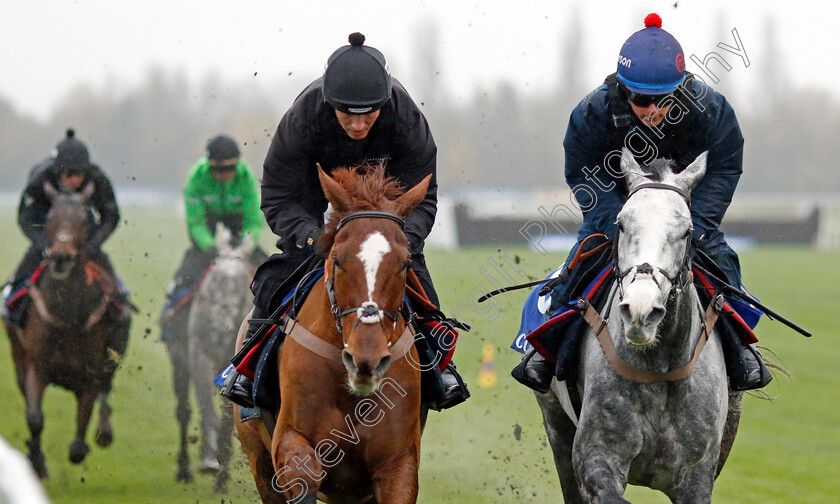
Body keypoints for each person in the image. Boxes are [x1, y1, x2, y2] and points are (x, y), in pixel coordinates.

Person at [513, 13, 772, 393]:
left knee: (721, 261)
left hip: (683, 211)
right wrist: (613, 220)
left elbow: (725, 166)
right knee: (581, 263)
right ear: (623, 89)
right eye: (641, 100)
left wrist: (690, 220)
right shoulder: (593, 112)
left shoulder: (710, 110)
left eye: (663, 100)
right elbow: (582, 171)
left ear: (680, 89)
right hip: (620, 208)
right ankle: (547, 351)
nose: (652, 110)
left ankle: (741, 349)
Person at [222, 32, 470, 410]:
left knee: (424, 293)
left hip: (387, 218)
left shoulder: (406, 120)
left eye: (368, 114)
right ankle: (248, 367)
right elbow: (277, 196)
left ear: (384, 104)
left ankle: (441, 369)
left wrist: (397, 240)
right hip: (312, 208)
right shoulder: (303, 118)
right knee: (273, 283)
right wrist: (313, 238)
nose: (357, 125)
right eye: (347, 115)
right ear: (329, 104)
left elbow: (425, 198)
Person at [2, 129, 121, 327]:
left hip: (83, 234)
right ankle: (13, 305)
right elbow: (25, 216)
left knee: (109, 276)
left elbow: (111, 216)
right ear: (58, 172)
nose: (76, 179)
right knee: (25, 269)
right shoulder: (40, 179)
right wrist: (42, 243)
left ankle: (119, 306)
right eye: (69, 174)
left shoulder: (98, 179)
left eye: (80, 174)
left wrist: (92, 244)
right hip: (47, 230)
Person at [159, 135, 267, 340]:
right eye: (216, 170)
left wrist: (245, 247)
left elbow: (253, 221)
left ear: (237, 166)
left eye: (228, 170)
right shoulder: (196, 177)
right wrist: (210, 247)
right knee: (187, 269)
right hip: (207, 224)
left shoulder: (247, 178)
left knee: (267, 269)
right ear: (209, 167)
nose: (222, 175)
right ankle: (171, 310)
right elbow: (195, 222)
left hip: (238, 225)